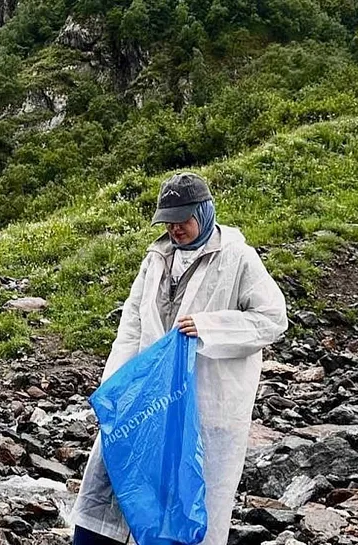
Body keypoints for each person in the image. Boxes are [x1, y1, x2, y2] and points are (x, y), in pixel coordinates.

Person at [70, 172, 288, 545]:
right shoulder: (156, 258)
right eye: (168, 222)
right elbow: (133, 324)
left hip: (205, 404)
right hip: (149, 398)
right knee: (114, 481)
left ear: (204, 212)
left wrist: (209, 327)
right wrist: (115, 390)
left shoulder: (236, 257)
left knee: (188, 498)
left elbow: (272, 319)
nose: (175, 230)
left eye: (183, 220)